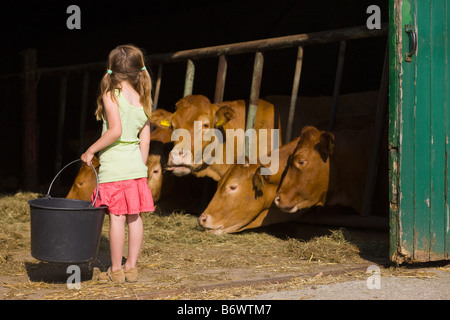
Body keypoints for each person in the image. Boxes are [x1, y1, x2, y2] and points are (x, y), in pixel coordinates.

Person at [81, 44, 154, 283]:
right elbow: (145, 140)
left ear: (111, 70)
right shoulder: (143, 98)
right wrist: (141, 168)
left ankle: (115, 269)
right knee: (135, 217)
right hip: (135, 168)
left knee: (117, 218)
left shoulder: (111, 95)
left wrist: (91, 149)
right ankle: (131, 267)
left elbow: (115, 131)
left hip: (114, 168)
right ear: (136, 71)